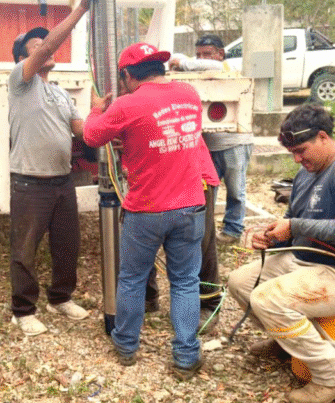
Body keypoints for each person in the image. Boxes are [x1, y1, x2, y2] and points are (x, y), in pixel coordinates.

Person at [227, 104, 335, 403]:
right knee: (240, 281)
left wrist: (294, 225)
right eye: (292, 153)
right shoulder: (306, 174)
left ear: (323, 137)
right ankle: (287, 343)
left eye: (301, 150)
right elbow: (294, 224)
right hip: (311, 262)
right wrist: (273, 239)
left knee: (268, 298)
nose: (297, 159)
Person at [84, 42, 206, 380]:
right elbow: (169, 134)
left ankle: (125, 345)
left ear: (125, 74)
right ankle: (185, 356)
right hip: (190, 205)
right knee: (184, 281)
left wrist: (96, 109)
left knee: (133, 279)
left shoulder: (127, 105)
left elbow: (92, 136)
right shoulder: (190, 94)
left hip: (147, 210)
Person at [7, 0, 92, 337]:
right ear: (23, 59)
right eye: (35, 45)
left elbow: (80, 129)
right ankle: (23, 310)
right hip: (30, 183)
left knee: (67, 243)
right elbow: (47, 49)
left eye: (45, 42)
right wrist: (79, 11)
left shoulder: (59, 93)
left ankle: (60, 298)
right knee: (25, 248)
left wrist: (106, 115)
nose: (44, 48)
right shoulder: (20, 81)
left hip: (61, 180)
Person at [170, 34, 253, 245]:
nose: (200, 59)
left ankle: (233, 230)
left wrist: (184, 62)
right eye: (197, 54)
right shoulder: (195, 77)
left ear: (220, 54)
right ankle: (206, 232)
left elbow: (201, 64)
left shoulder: (230, 68)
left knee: (236, 191)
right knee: (207, 190)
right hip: (208, 146)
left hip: (234, 143)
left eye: (206, 54)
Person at [145, 138, 222, 334]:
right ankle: (148, 296)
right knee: (144, 236)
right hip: (151, 176)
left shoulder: (176, 108)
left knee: (200, 242)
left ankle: (209, 304)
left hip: (192, 175)